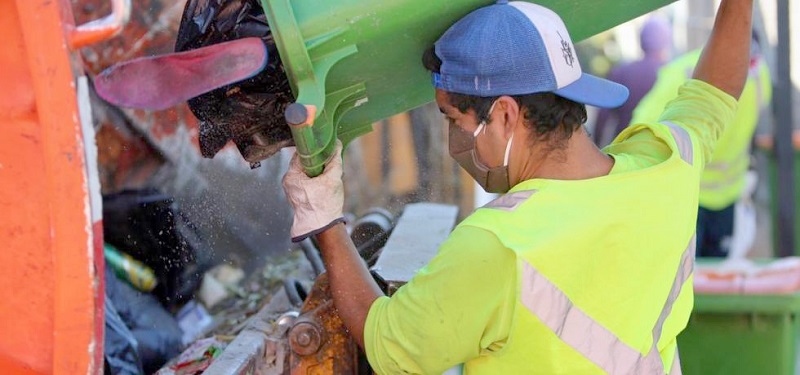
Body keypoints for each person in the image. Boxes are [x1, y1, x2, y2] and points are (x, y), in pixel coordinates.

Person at [281, 0, 753, 373]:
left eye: (453, 119)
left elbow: (389, 346)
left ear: (505, 114)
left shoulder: (499, 244)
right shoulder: (667, 165)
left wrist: (325, 221)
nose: (453, 144)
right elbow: (716, 91)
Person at [631, 36, 772, 257]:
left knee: (693, 276)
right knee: (704, 275)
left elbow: (639, 127)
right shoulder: (759, 76)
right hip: (700, 195)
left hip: (703, 194)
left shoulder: (684, 71)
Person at [592, 16, 673, 147]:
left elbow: (603, 117)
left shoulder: (622, 72)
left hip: (625, 151)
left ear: (641, 41)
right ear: (667, 42)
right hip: (662, 154)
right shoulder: (674, 75)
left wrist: (597, 146)